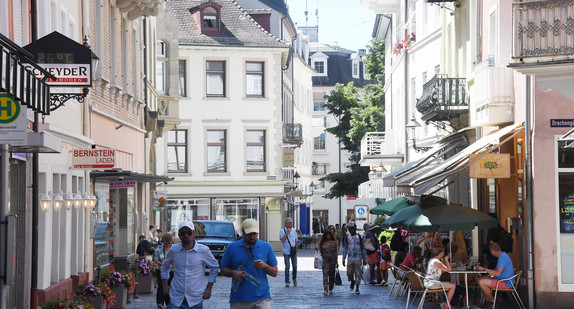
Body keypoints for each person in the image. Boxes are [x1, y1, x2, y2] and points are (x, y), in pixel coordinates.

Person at [221, 218, 278, 309]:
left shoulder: (266, 247)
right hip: (239, 299)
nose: (252, 237)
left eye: (255, 234)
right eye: (249, 234)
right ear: (243, 231)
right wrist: (233, 273)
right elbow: (223, 269)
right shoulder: (232, 247)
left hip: (262, 298)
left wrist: (265, 266)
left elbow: (275, 272)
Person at [161, 221, 219, 309]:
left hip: (195, 299)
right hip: (176, 298)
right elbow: (165, 266)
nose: (186, 235)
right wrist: (165, 286)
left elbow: (214, 267)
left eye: (189, 233)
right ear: (179, 235)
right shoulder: (174, 250)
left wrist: (209, 288)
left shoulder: (203, 250)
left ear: (194, 234)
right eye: (183, 233)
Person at [476, 242, 515, 309]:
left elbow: (497, 273)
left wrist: (484, 269)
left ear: (492, 251)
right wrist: (488, 272)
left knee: (481, 282)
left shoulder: (502, 257)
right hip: (501, 280)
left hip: (506, 282)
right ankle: (487, 302)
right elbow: (496, 272)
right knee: (479, 279)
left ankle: (492, 303)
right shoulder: (503, 256)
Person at [342, 222, 367, 295]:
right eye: (350, 229)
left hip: (358, 258)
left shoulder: (359, 237)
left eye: (353, 229)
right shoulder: (347, 237)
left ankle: (357, 287)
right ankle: (352, 280)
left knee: (358, 273)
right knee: (349, 273)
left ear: (355, 229)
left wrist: (364, 259)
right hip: (350, 258)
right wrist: (343, 258)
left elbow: (363, 248)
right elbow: (345, 248)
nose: (352, 230)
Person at [154, 233, 174, 308]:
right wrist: (164, 264)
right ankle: (160, 303)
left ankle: (169, 303)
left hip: (172, 270)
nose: (167, 244)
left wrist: (174, 264)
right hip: (160, 270)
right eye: (166, 243)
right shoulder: (159, 248)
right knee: (161, 286)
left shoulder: (174, 249)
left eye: (169, 243)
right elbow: (155, 259)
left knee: (170, 286)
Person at [317, 229, 338, 295]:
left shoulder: (334, 242)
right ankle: (325, 289)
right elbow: (319, 251)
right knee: (325, 275)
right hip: (325, 260)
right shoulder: (322, 243)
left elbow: (335, 252)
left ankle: (331, 288)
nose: (328, 236)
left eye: (329, 235)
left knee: (332, 275)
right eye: (326, 235)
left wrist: (336, 261)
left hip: (332, 260)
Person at [279, 217, 298, 287]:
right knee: (287, 266)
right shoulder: (282, 231)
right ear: (286, 224)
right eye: (290, 223)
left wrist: (296, 247)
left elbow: (296, 239)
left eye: (291, 223)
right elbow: (282, 240)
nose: (291, 224)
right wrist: (286, 233)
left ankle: (294, 278)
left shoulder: (294, 230)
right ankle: (287, 281)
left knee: (295, 266)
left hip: (293, 251)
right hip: (286, 251)